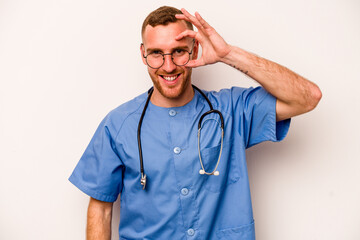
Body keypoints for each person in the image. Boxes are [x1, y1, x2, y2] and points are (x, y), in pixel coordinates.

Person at [69, 6, 321, 240]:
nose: (168, 66)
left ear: (195, 50)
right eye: (156, 53)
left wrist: (228, 54)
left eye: (178, 51)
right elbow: (100, 209)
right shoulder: (118, 125)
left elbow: (307, 97)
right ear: (143, 54)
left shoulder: (232, 109)